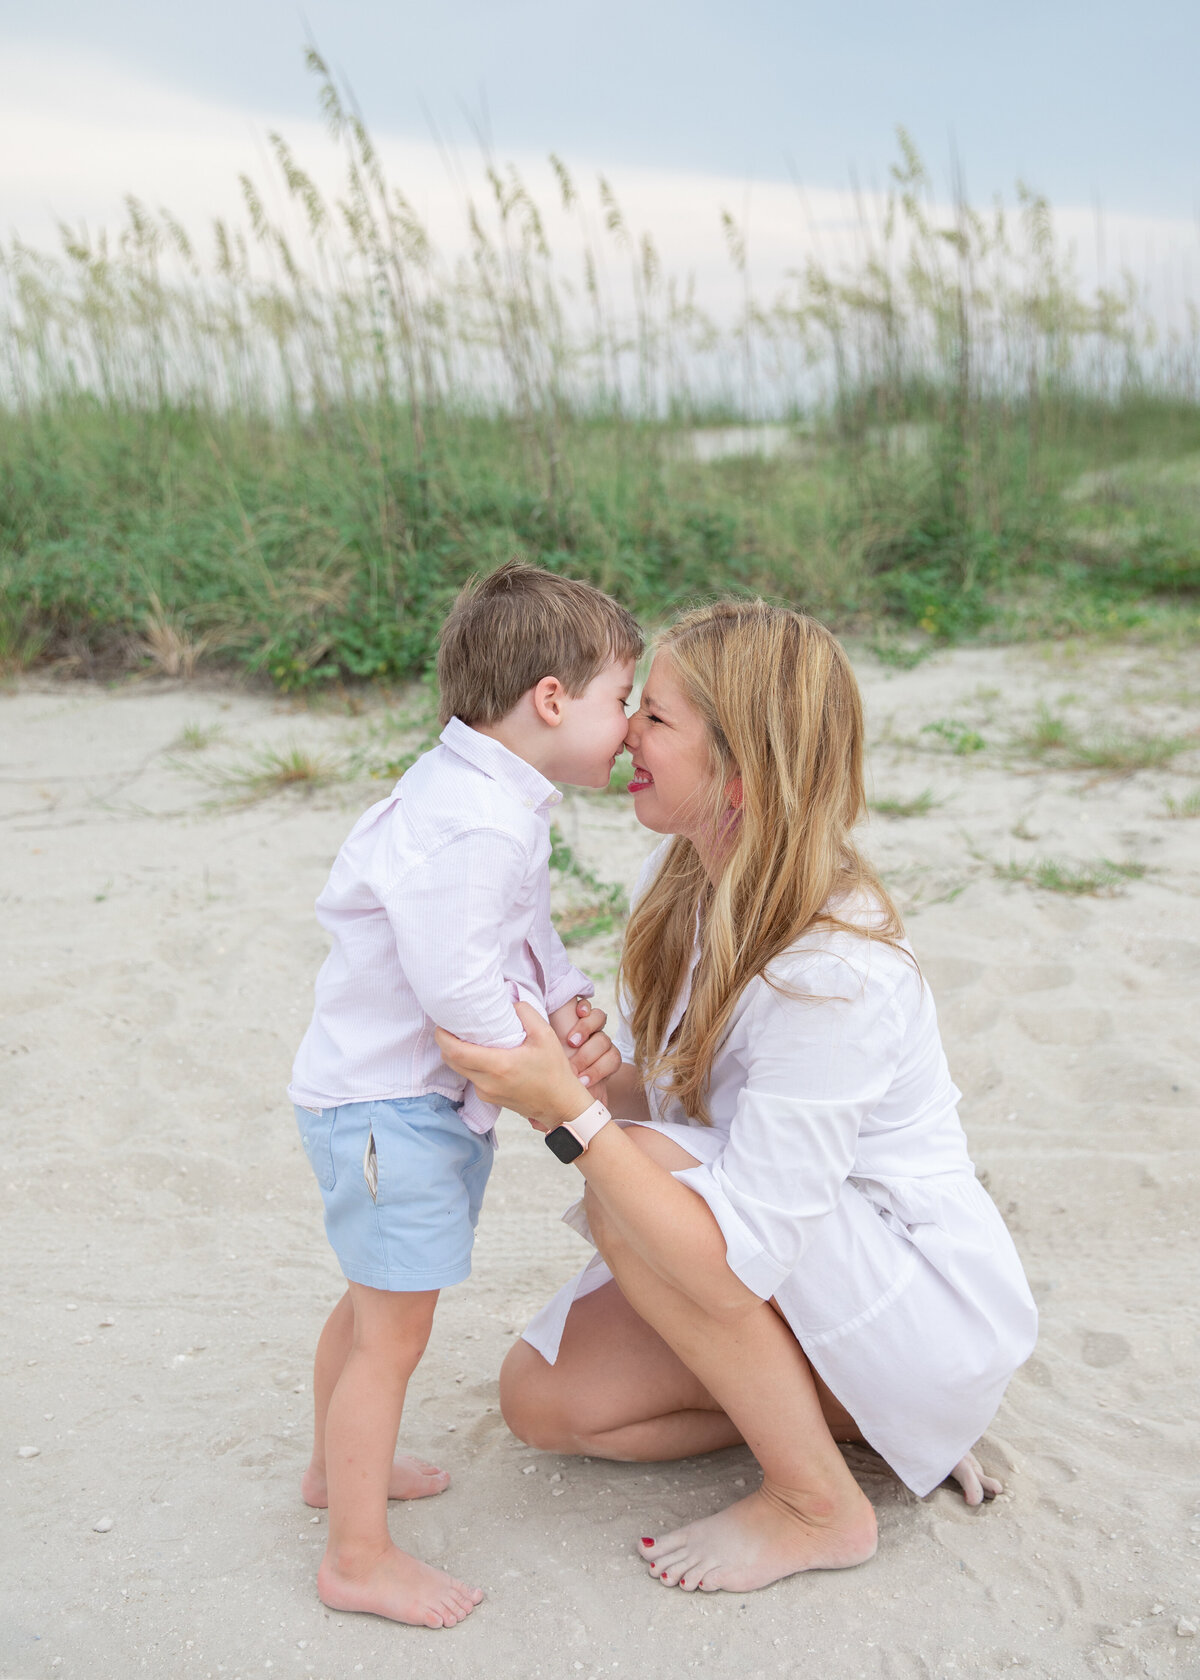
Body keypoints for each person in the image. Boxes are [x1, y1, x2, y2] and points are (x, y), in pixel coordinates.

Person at [437, 600, 1039, 1598]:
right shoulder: (680, 877)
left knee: (634, 1182)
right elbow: (675, 1099)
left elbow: (727, 1229)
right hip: (800, 1259)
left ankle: (820, 1502)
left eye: (658, 718)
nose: (626, 728)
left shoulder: (837, 969)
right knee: (544, 1400)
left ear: (741, 777)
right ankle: (875, 1418)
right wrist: (590, 1074)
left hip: (906, 1284)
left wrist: (575, 1117)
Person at [287, 561, 636, 1627]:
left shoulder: (480, 795)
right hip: (394, 1109)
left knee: (368, 1302)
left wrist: (566, 995)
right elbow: (456, 982)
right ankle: (356, 1554)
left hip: (373, 1101)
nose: (626, 727)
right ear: (550, 700)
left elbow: (514, 930)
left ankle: (330, 1472)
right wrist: (539, 1076)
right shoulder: (477, 822)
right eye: (621, 699)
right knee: (393, 1333)